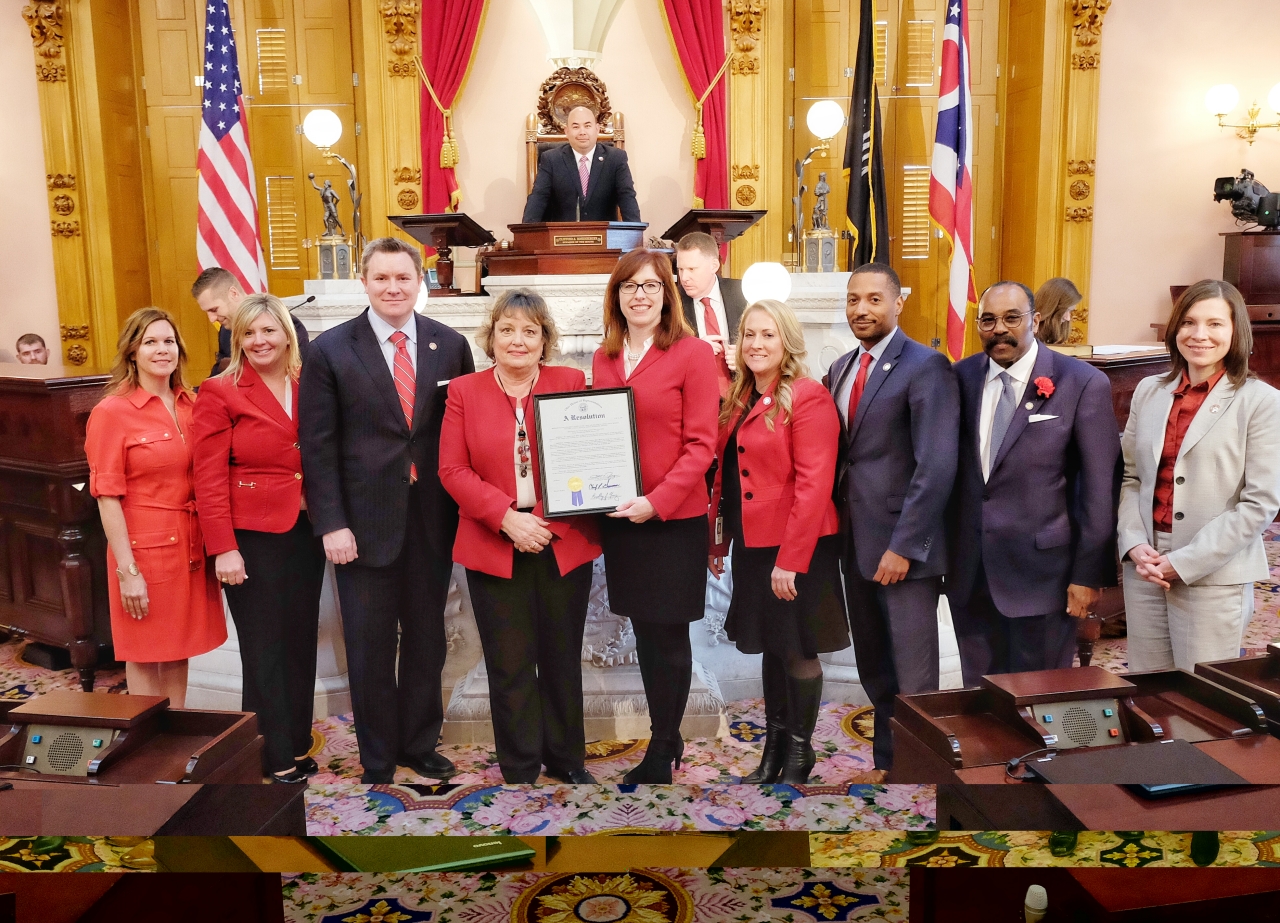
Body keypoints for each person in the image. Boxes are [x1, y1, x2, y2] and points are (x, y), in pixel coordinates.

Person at [299, 237, 474, 784]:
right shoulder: (330, 350)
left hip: (431, 523)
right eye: (382, 278)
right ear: (365, 282)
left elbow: (461, 433)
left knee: (427, 642)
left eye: (403, 278)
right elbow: (317, 446)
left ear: (419, 281)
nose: (393, 288)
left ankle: (420, 744)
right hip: (360, 528)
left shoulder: (451, 345)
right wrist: (331, 523)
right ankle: (377, 755)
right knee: (370, 650)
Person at [439, 290, 601, 784]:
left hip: (561, 538)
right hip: (494, 540)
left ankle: (567, 760)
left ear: (545, 340)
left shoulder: (569, 382)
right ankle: (520, 765)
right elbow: (452, 469)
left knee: (560, 658)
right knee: (509, 664)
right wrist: (507, 517)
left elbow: (588, 455)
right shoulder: (464, 390)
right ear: (491, 337)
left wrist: (547, 520)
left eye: (530, 330)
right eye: (507, 329)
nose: (518, 340)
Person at [947, 281, 1120, 684]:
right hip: (971, 573)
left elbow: (1099, 488)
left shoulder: (1081, 382)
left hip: (1045, 576)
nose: (999, 329)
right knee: (980, 696)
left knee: (1039, 699)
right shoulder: (959, 377)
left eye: (1012, 318)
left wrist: (1088, 574)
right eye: (988, 320)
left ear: (1035, 320)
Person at [592, 248, 718, 783]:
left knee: (668, 636)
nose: (639, 295)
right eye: (629, 286)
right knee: (645, 634)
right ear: (616, 297)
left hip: (672, 520)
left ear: (668, 295)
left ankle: (664, 746)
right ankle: (665, 737)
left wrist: (657, 501)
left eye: (650, 285)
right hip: (623, 519)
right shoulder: (604, 357)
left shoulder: (691, 354)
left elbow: (702, 446)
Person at [709, 299, 847, 784]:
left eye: (768, 335)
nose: (757, 344)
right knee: (771, 647)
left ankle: (800, 753)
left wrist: (790, 560)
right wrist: (717, 543)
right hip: (753, 545)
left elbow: (815, 485)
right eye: (749, 334)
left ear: (786, 340)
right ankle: (772, 753)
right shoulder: (739, 396)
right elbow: (726, 478)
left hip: (796, 547)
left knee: (797, 649)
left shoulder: (806, 395)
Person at [828, 264, 959, 772]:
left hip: (903, 553)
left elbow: (936, 464)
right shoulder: (841, 367)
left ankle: (924, 772)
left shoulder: (927, 366)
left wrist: (905, 546)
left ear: (898, 302)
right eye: (853, 300)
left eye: (874, 300)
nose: (862, 309)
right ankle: (890, 761)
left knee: (914, 676)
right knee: (875, 669)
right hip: (856, 547)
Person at [191, 293, 325, 783]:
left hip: (306, 532)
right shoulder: (220, 391)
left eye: (269, 330)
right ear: (236, 339)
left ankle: (292, 738)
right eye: (248, 332)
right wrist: (223, 547)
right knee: (263, 646)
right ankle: (272, 754)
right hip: (249, 539)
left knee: (298, 641)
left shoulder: (308, 381)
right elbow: (207, 478)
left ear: (287, 334)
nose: (259, 340)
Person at [1118, 280, 1280, 671]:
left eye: (1215, 324)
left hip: (1213, 569)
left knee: (1201, 699)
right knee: (1148, 690)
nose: (1199, 335)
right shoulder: (1148, 391)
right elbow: (1132, 477)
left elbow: (1259, 504)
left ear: (1235, 331)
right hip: (1146, 564)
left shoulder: (1261, 402)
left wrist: (1185, 561)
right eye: (1189, 322)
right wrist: (1133, 542)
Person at [84, 308, 226, 706]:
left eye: (168, 342)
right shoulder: (112, 412)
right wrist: (128, 572)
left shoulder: (192, 404)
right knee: (144, 651)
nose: (162, 350)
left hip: (188, 547)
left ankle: (175, 736)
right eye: (150, 342)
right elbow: (107, 498)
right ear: (132, 352)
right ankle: (146, 747)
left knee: (178, 646)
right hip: (142, 553)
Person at [522, 105, 641, 223]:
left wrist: (636, 237)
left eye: (587, 126)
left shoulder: (615, 158)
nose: (582, 132)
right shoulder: (551, 159)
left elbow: (627, 198)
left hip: (605, 238)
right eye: (576, 127)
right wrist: (527, 235)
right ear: (567, 132)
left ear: (597, 129)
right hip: (561, 238)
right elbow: (538, 199)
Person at [192, 267, 310, 376]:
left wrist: (241, 367)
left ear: (233, 294)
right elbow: (218, 374)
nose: (212, 319)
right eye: (248, 333)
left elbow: (300, 374)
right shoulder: (225, 331)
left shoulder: (288, 324)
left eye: (214, 309)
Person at [676, 232, 748, 399]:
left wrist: (745, 358)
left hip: (743, 398)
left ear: (714, 265)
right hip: (694, 399)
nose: (684, 277)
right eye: (680, 269)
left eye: (692, 269)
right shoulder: (671, 303)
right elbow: (662, 356)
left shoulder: (743, 294)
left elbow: (770, 345)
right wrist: (694, 351)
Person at [1035, 277, 1082, 346]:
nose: (1068, 318)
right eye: (1066, 311)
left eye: (1070, 311)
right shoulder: (1027, 334)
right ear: (1051, 307)